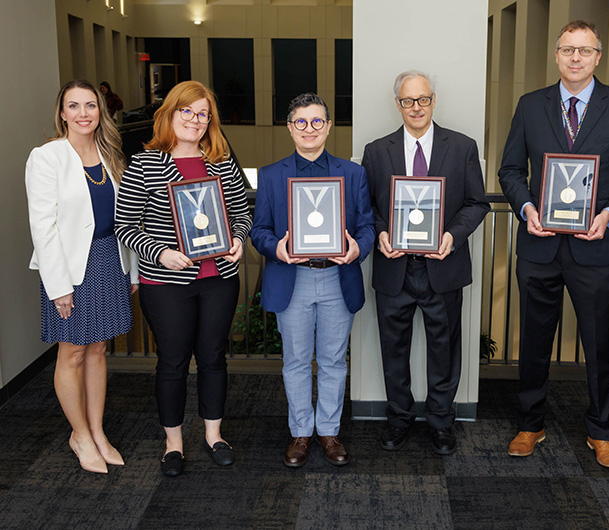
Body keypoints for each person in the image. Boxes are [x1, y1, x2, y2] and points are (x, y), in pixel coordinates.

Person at [498, 20, 609, 468]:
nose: (576, 58)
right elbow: (510, 171)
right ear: (557, 54)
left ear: (598, 57)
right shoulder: (530, 106)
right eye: (568, 49)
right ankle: (531, 424)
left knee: (599, 343)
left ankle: (601, 432)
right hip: (539, 246)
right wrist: (527, 209)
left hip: (597, 248)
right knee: (533, 341)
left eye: (585, 51)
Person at [115, 80, 251, 477]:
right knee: (172, 362)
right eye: (186, 111)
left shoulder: (221, 162)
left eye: (202, 113)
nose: (194, 120)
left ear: (211, 120)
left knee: (213, 358)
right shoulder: (145, 164)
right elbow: (125, 226)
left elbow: (243, 212)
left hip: (219, 277)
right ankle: (173, 444)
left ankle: (214, 435)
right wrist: (162, 253)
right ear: (170, 114)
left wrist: (239, 240)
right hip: (166, 283)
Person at [362, 71, 489, 455]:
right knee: (393, 350)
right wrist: (381, 233)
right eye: (407, 101)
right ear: (397, 104)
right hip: (394, 267)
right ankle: (398, 418)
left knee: (444, 351)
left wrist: (451, 237)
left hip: (442, 265)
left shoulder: (463, 147)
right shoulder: (376, 150)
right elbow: (366, 207)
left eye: (422, 99)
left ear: (434, 100)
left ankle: (440, 422)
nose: (415, 108)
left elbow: (476, 203)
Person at [251, 93, 375, 468]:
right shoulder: (272, 175)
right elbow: (259, 231)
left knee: (335, 360)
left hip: (338, 277)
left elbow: (368, 225)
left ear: (328, 126)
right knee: (297, 361)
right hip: (293, 278)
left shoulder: (352, 173)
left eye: (316, 121)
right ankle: (301, 432)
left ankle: (329, 431)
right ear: (290, 128)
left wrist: (356, 249)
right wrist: (278, 249)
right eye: (301, 122)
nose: (309, 129)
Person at [25, 79, 138, 474]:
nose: (83, 113)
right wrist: (59, 287)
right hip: (70, 266)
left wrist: (133, 268)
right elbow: (43, 227)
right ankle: (80, 435)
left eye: (90, 105)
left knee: (98, 349)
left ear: (100, 111)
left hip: (109, 258)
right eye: (74, 106)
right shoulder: (47, 157)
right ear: (62, 113)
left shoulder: (109, 154)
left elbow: (124, 220)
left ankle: (98, 430)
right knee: (72, 351)